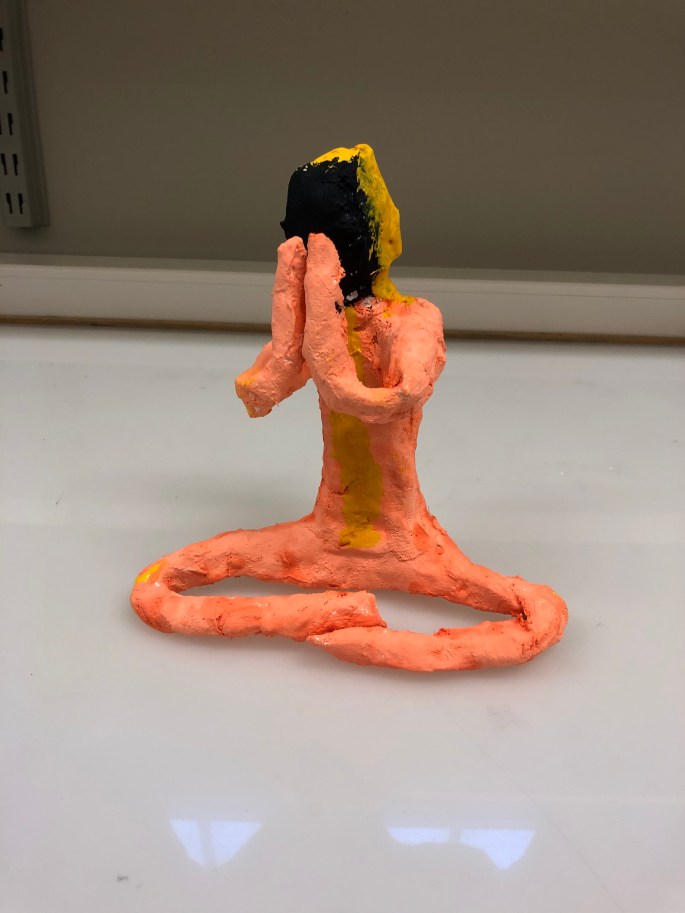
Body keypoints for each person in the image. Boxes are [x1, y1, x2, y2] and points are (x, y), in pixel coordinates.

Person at [131, 144, 567, 672]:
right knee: (154, 587)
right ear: (386, 236)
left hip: (406, 539)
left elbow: (399, 396)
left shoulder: (409, 322)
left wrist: (325, 353)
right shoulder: (332, 321)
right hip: (327, 534)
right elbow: (258, 395)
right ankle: (314, 617)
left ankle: (325, 620)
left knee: (537, 612)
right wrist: (290, 342)